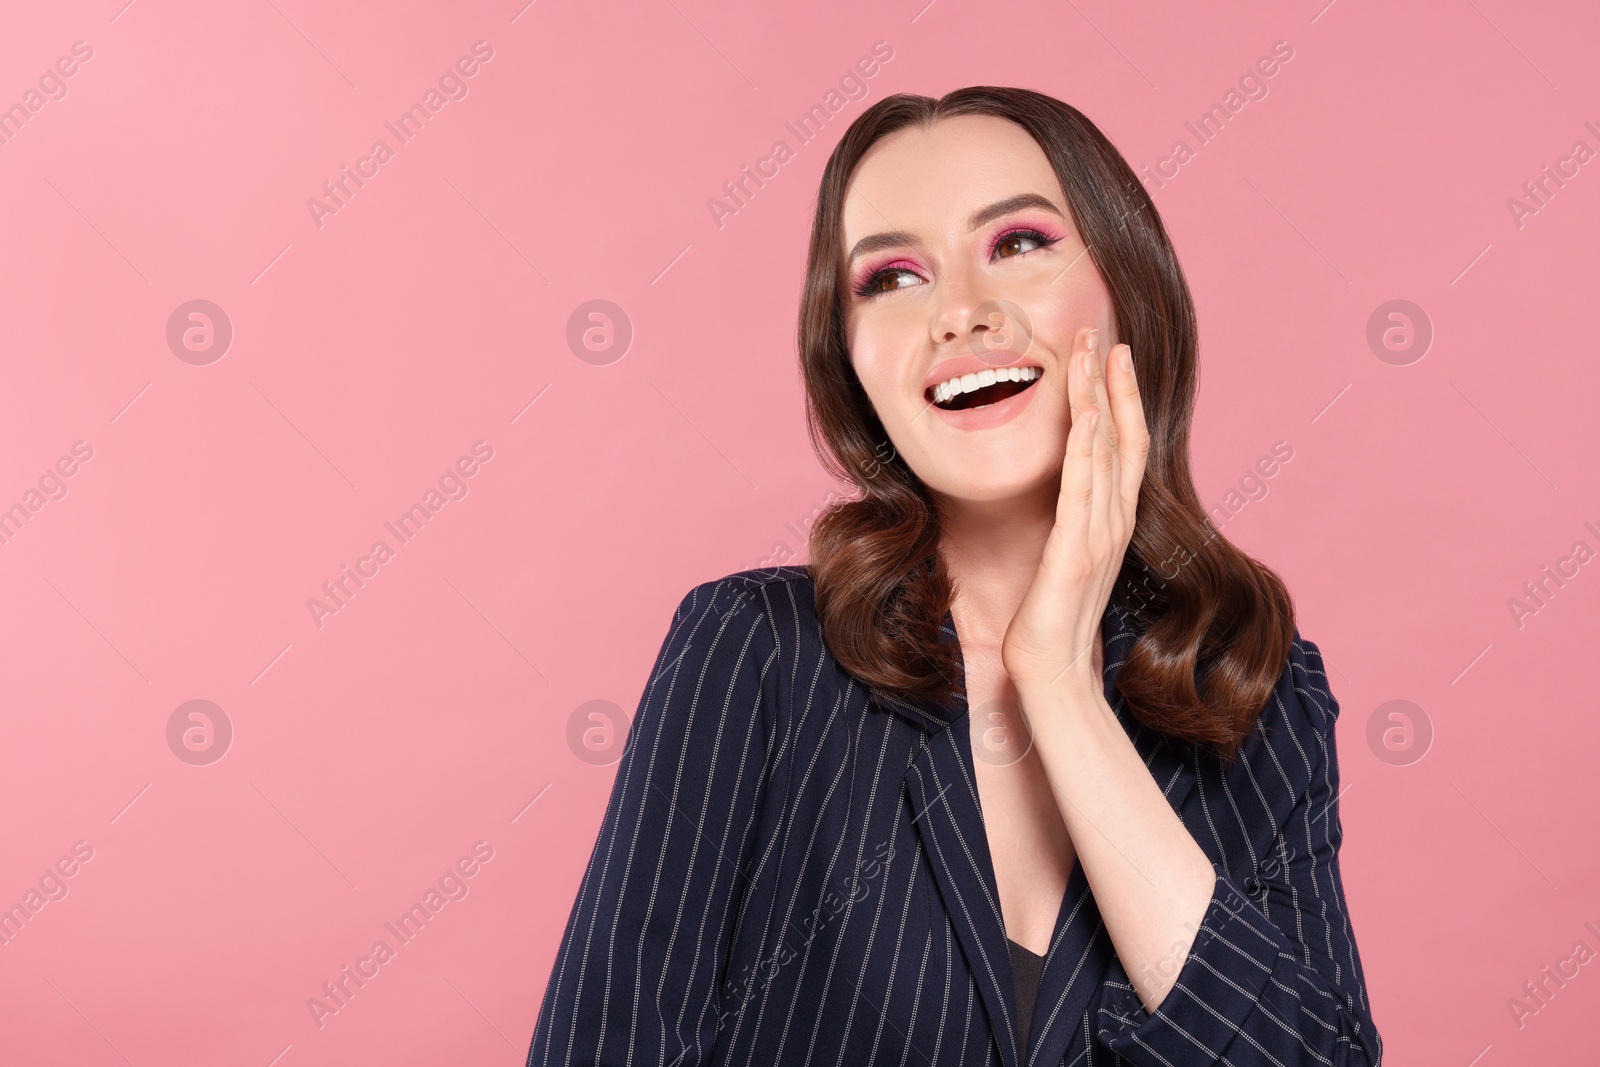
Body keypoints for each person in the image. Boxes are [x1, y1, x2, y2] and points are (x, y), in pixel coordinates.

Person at [526, 86, 1382, 1067]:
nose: (958, 313)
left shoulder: (1256, 692)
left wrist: (1058, 686)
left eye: (1016, 243)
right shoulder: (754, 650)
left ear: (1126, 289)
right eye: (891, 275)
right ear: (849, 360)